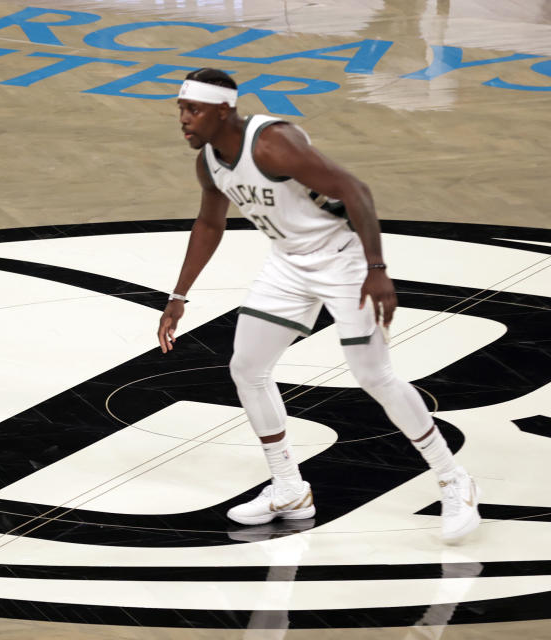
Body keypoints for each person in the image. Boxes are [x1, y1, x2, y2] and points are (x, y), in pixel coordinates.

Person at [157, 68, 480, 542]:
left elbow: (355, 189)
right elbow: (209, 224)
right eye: (181, 109)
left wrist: (376, 268)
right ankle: (289, 488)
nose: (183, 119)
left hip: (343, 260)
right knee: (247, 368)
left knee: (373, 375)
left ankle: (454, 479)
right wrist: (177, 297)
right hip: (288, 264)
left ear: (224, 110)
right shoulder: (209, 161)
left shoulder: (272, 143)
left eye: (193, 110)